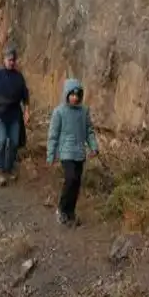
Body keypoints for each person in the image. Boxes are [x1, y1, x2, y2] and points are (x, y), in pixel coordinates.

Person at [46, 79, 99, 226]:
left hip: (80, 153)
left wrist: (94, 147)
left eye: (77, 94)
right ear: (67, 94)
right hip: (66, 152)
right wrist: (51, 154)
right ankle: (61, 209)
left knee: (76, 183)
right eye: (72, 94)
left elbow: (89, 131)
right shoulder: (59, 112)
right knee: (70, 179)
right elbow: (53, 135)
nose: (74, 97)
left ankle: (70, 212)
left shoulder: (84, 111)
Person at [0, 48, 29, 187]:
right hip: (0, 114)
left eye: (13, 60)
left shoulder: (18, 76)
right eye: (9, 60)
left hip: (14, 115)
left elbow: (25, 95)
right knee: (2, 141)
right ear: (4, 60)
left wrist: (27, 111)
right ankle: (0, 170)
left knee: (14, 143)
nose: (11, 62)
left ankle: (9, 166)